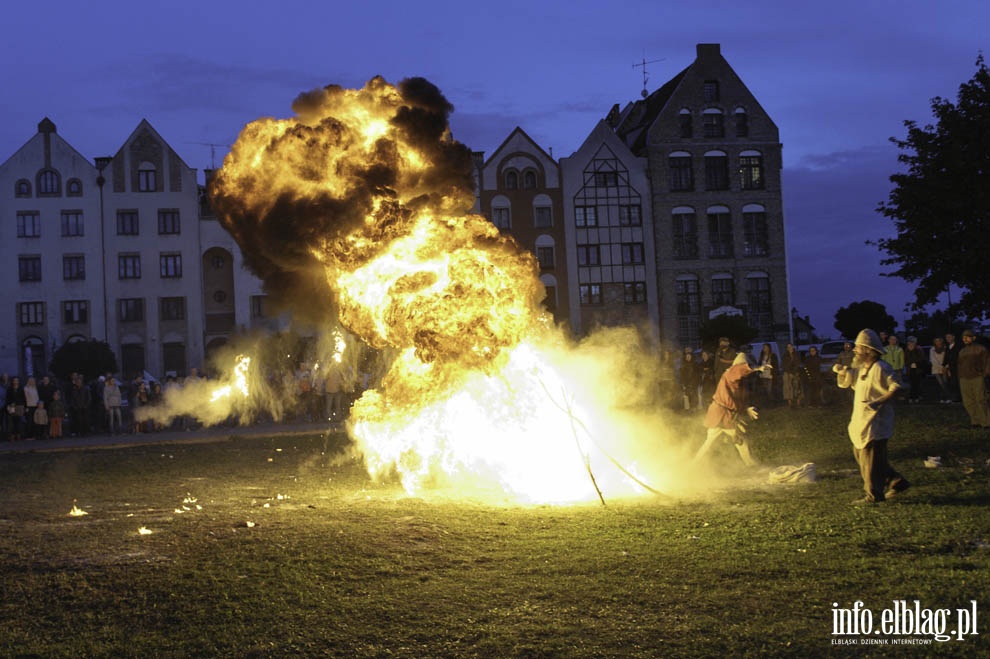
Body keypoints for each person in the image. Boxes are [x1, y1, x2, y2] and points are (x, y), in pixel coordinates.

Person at [833, 329, 910, 504]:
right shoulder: (862, 368)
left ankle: (873, 495)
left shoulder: (881, 368)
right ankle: (896, 481)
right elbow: (848, 382)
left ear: (868, 350)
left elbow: (897, 387)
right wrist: (842, 371)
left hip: (876, 422)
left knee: (870, 461)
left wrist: (879, 401)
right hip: (861, 421)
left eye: (858, 347)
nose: (854, 350)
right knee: (865, 457)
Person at [694, 352, 770, 467]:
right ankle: (750, 465)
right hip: (721, 414)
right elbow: (739, 370)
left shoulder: (736, 381)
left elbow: (737, 400)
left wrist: (746, 409)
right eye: (746, 364)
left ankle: (693, 464)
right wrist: (757, 368)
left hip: (719, 413)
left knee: (709, 443)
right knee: (740, 441)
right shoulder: (730, 373)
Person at [956, 329, 990, 429]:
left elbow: (987, 362)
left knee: (981, 399)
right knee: (968, 401)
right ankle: (975, 421)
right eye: (963, 337)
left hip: (977, 377)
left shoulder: (981, 349)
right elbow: (959, 364)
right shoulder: (962, 351)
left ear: (973, 338)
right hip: (964, 378)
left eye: (967, 337)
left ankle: (986, 422)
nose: (965, 339)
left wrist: (985, 374)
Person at [903, 336, 926, 403]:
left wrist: (916, 363)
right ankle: (912, 396)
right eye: (909, 342)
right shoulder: (906, 350)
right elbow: (905, 359)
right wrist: (909, 364)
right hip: (910, 369)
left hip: (918, 369)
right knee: (911, 383)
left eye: (912, 342)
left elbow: (922, 359)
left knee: (917, 383)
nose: (911, 343)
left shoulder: (919, 349)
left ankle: (916, 396)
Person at [929, 337, 952, 404]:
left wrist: (945, 367)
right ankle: (945, 397)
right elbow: (932, 359)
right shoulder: (932, 349)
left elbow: (948, 358)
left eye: (939, 340)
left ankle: (947, 397)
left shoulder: (945, 348)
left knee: (945, 382)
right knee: (941, 383)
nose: (938, 342)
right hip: (936, 369)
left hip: (945, 368)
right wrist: (940, 367)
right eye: (936, 341)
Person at [5, 376, 27, 441]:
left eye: (17, 380)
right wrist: (10, 404)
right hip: (12, 407)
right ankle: (12, 435)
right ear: (13, 381)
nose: (16, 382)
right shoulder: (10, 388)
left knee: (19, 421)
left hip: (19, 406)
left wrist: (25, 406)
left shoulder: (21, 388)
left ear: (18, 381)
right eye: (14, 380)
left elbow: (24, 398)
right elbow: (7, 398)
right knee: (12, 422)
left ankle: (18, 435)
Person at [782, 343, 803, 408]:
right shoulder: (785, 356)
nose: (789, 348)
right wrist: (789, 372)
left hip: (795, 372)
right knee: (787, 387)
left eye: (790, 347)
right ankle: (790, 403)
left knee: (797, 386)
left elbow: (798, 363)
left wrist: (794, 372)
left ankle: (798, 402)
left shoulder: (796, 355)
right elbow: (784, 365)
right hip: (787, 373)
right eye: (788, 347)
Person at [944, 333, 962, 403]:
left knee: (958, 382)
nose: (948, 339)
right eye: (946, 337)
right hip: (951, 368)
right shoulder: (948, 347)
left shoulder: (958, 346)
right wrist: (945, 365)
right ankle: (956, 397)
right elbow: (946, 357)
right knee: (953, 382)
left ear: (953, 337)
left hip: (957, 367)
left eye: (949, 337)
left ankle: (959, 397)